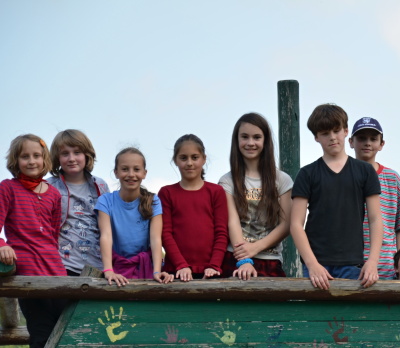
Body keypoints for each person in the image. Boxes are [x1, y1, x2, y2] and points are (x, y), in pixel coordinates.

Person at [0, 134, 67, 348]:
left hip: (57, 277)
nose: (31, 161)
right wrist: (0, 245)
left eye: (37, 156)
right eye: (24, 156)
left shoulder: (54, 194)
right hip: (29, 280)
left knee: (66, 336)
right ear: (15, 160)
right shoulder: (8, 188)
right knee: (41, 338)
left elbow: (53, 236)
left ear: (45, 159)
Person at [290, 103, 382, 290]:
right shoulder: (307, 173)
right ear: (316, 137)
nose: (332, 137)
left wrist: (372, 261)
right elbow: (296, 224)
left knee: (350, 310)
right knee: (316, 310)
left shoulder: (365, 171)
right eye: (325, 133)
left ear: (346, 131)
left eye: (336, 130)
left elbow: (375, 219)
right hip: (316, 265)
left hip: (353, 263)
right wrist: (312, 264)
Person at [218, 113, 293, 279]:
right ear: (236, 140)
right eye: (245, 137)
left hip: (270, 259)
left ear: (265, 141)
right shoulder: (227, 181)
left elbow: (287, 224)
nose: (250, 143)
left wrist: (255, 247)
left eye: (257, 137)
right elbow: (232, 221)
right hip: (235, 257)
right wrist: (244, 260)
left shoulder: (282, 180)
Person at [95, 147, 173, 286]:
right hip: (116, 265)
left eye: (136, 169)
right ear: (116, 172)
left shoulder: (153, 201)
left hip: (145, 266)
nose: (131, 174)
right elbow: (106, 236)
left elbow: (155, 239)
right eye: (125, 169)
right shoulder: (105, 201)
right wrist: (108, 270)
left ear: (144, 173)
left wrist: (156, 271)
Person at [348, 117, 400, 279]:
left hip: (386, 267)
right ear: (351, 142)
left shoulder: (392, 178)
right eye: (362, 138)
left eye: (373, 139)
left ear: (381, 144)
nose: (367, 143)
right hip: (348, 266)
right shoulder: (342, 175)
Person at [159, 134, 228, 281]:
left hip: (211, 272)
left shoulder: (216, 192)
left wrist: (214, 265)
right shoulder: (167, 193)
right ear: (175, 160)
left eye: (195, 157)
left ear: (204, 159)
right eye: (183, 158)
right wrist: (181, 265)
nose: (189, 163)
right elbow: (165, 233)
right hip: (176, 272)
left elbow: (221, 232)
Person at [47, 129, 110, 276]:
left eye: (77, 152)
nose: (71, 158)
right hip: (62, 264)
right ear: (57, 157)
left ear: (86, 155)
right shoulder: (49, 186)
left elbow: (108, 225)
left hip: (96, 265)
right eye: (65, 154)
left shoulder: (100, 185)